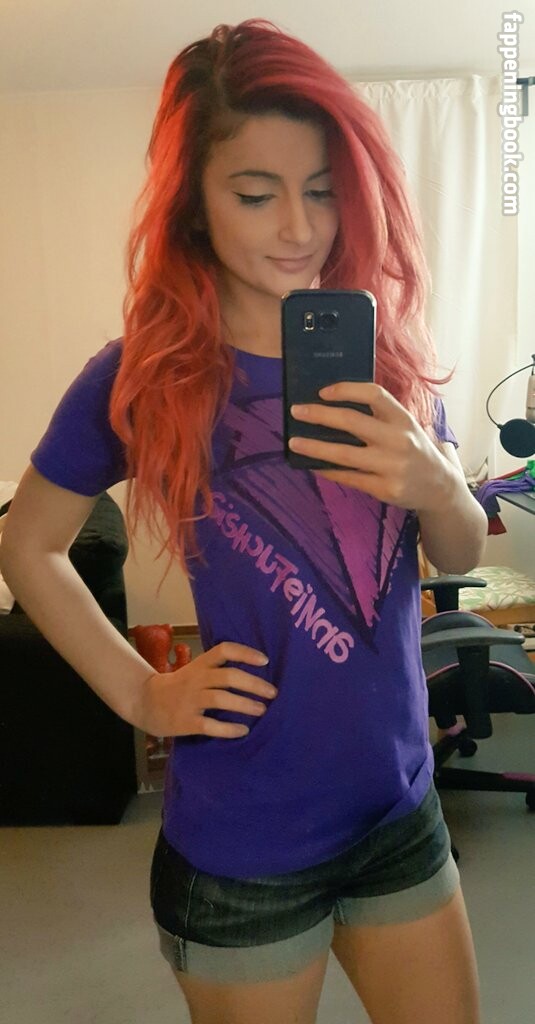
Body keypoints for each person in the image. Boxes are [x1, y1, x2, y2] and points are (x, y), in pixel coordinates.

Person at [0, 19, 487, 1024]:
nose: (298, 226)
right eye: (255, 194)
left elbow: (455, 553)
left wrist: (438, 485)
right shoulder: (145, 375)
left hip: (400, 814)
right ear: (194, 204)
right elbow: (27, 543)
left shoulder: (387, 357)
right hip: (244, 851)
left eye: (322, 190)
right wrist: (141, 693)